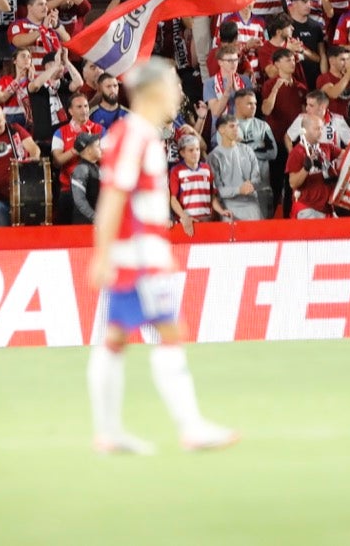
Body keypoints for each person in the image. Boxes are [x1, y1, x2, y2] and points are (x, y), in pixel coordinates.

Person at [86, 57, 236, 454]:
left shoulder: (134, 134)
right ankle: (191, 428)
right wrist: (106, 255)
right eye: (172, 85)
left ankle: (109, 431)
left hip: (134, 254)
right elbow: (114, 198)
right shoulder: (135, 136)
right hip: (139, 257)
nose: (177, 93)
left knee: (116, 338)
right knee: (169, 333)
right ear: (153, 90)